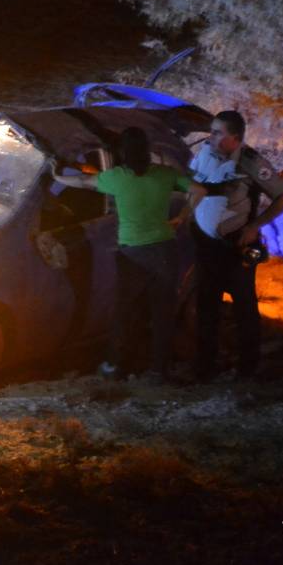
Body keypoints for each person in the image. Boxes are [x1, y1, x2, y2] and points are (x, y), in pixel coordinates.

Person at [53, 127, 205, 382]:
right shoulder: (165, 174)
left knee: (124, 311)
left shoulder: (117, 177)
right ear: (146, 151)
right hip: (164, 250)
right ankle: (159, 370)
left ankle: (115, 366)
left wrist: (57, 175)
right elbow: (200, 190)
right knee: (162, 312)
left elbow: (82, 182)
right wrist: (182, 216)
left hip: (132, 253)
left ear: (123, 152)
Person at [189, 110, 283, 381]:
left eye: (217, 132)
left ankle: (247, 369)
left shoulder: (250, 162)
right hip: (206, 245)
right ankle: (204, 368)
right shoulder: (203, 155)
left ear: (235, 138)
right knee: (206, 307)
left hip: (235, 246)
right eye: (211, 131)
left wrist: (255, 226)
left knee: (244, 308)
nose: (210, 137)